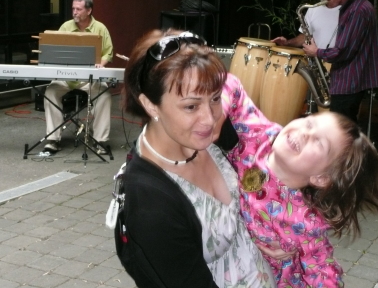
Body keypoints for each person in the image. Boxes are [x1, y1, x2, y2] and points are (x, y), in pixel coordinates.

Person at [115, 29, 276, 288]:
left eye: (214, 99)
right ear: (150, 105)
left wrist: (271, 234)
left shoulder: (209, 136)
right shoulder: (150, 202)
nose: (210, 118)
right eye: (191, 106)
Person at [216, 73, 378, 288]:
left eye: (319, 143)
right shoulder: (259, 136)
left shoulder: (306, 220)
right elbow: (229, 83)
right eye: (309, 122)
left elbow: (323, 273)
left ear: (321, 177)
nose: (305, 133)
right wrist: (217, 112)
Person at [302, 0, 378, 122]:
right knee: (344, 128)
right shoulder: (356, 7)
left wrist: (316, 52)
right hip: (350, 79)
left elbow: (343, 50)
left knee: (341, 129)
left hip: (350, 80)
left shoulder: (357, 11)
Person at [44, 0, 114, 154]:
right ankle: (53, 139)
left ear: (88, 11)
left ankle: (101, 141)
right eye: (73, 8)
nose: (74, 12)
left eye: (78, 9)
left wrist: (100, 65)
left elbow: (108, 53)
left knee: (104, 95)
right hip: (66, 77)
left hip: (90, 78)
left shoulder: (100, 28)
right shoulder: (66, 27)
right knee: (50, 92)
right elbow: (55, 51)